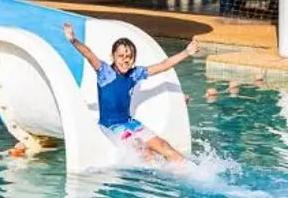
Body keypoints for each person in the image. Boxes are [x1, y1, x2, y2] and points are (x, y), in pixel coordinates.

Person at [61, 22, 201, 164]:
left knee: (164, 146)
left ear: (134, 58)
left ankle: (190, 170)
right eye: (120, 55)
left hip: (130, 123)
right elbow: (89, 54)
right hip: (111, 127)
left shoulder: (135, 74)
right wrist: (73, 39)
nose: (125, 59)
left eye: (129, 56)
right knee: (145, 152)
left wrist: (186, 52)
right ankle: (159, 179)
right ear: (113, 56)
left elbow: (163, 65)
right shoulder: (105, 73)